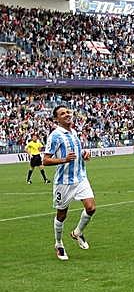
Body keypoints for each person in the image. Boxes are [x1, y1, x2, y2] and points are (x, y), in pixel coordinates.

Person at [43, 105, 95, 261]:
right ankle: (59, 244)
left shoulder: (74, 133)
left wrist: (84, 154)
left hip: (80, 178)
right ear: (56, 119)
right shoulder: (55, 136)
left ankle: (77, 232)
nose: (67, 114)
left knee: (91, 208)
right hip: (64, 182)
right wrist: (63, 160)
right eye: (62, 113)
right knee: (61, 214)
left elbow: (76, 153)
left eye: (68, 112)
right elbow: (45, 160)